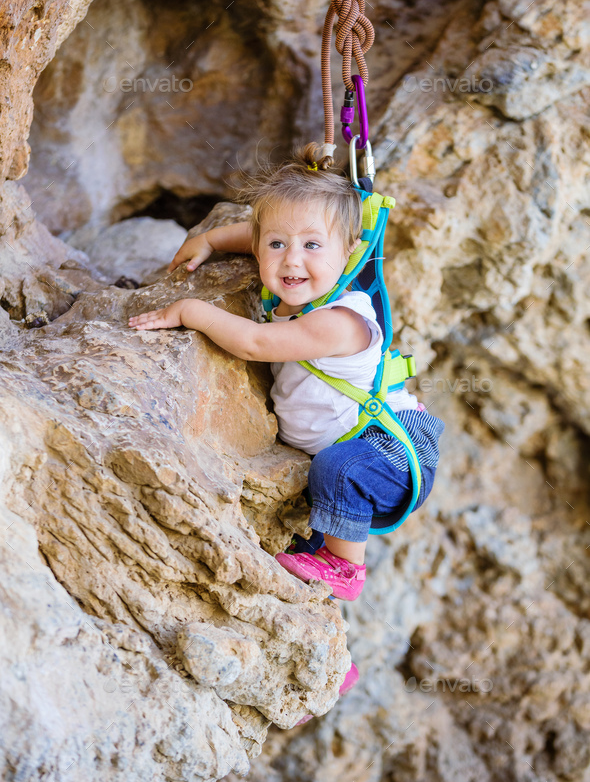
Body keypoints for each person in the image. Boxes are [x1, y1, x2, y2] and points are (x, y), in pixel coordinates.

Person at [129, 143, 444, 604]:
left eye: (313, 245)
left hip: (390, 453)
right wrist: (214, 240)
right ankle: (336, 651)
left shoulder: (336, 322)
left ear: (350, 251)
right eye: (277, 245)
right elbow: (267, 234)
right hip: (357, 452)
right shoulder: (298, 280)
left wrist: (191, 310)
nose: (292, 260)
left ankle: (348, 571)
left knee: (336, 473)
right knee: (301, 548)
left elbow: (255, 343)